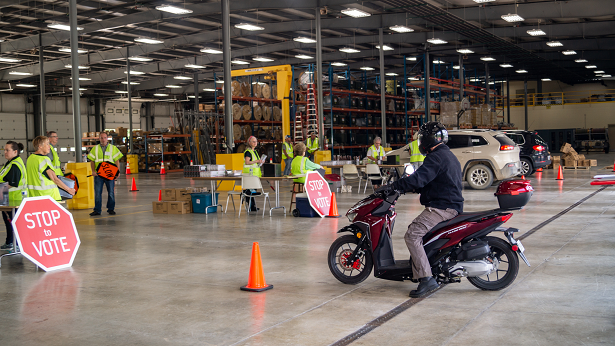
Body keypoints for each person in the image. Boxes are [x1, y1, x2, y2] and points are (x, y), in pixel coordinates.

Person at [376, 122, 464, 298]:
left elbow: (418, 178)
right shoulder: (446, 154)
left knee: (412, 234)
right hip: (449, 204)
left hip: (442, 207)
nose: (421, 142)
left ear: (428, 139)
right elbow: (432, 181)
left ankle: (426, 278)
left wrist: (394, 186)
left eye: (422, 138)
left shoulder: (436, 157)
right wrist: (414, 188)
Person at [27, 136, 76, 202]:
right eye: (47, 144)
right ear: (40, 146)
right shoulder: (44, 160)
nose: (49, 146)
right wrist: (69, 189)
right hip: (49, 197)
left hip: (34, 196)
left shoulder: (30, 158)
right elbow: (55, 179)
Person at [0, 141, 28, 251]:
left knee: (14, 223)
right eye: (4, 150)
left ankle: (16, 244)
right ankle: (9, 242)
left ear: (15, 151)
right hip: (6, 199)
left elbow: (13, 183)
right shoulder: (10, 163)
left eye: (8, 150)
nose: (5, 152)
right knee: (8, 222)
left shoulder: (15, 165)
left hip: (14, 199)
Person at [88, 132, 123, 216]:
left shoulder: (113, 148)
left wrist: (117, 171)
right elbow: (92, 161)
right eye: (101, 138)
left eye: (104, 138)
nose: (103, 140)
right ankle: (97, 210)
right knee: (97, 193)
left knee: (111, 192)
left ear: (107, 138)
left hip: (109, 174)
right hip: (98, 174)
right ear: (99, 139)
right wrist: (93, 171)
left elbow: (117, 160)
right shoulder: (95, 149)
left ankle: (111, 209)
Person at [243, 136, 263, 212]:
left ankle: (252, 206)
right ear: (249, 143)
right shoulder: (248, 152)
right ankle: (251, 206)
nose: (255, 143)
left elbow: (255, 162)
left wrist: (260, 162)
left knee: (252, 191)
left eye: (256, 141)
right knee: (251, 191)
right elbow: (247, 162)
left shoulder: (254, 151)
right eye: (253, 141)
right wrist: (257, 161)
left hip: (255, 175)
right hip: (250, 174)